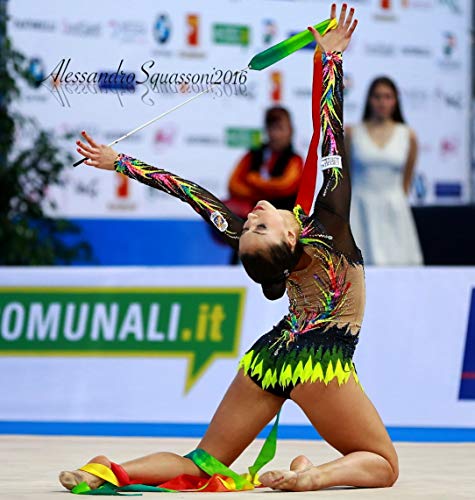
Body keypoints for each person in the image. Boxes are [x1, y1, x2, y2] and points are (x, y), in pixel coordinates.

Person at [62, 4, 398, 493]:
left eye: (249, 226)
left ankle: (110, 470)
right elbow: (331, 135)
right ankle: (311, 479)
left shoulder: (296, 232)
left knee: (202, 461)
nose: (253, 214)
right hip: (318, 360)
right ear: (288, 238)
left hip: (271, 355)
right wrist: (331, 63)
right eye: (255, 225)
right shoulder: (329, 225)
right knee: (383, 465)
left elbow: (192, 193)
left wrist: (121, 163)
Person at [346, 77, 424, 266]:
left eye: (388, 97)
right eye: (377, 96)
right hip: (359, 210)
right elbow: (345, 176)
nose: (382, 102)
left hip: (394, 211)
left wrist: (393, 199)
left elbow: (406, 181)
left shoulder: (408, 135)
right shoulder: (352, 133)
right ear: (369, 100)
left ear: (395, 100)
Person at [224, 106, 303, 264]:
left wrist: (254, 182)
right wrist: (263, 191)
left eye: (280, 128)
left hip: (280, 230)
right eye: (271, 128)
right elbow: (233, 184)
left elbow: (285, 186)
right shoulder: (252, 155)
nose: (275, 134)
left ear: (290, 131)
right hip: (249, 226)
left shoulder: (295, 160)